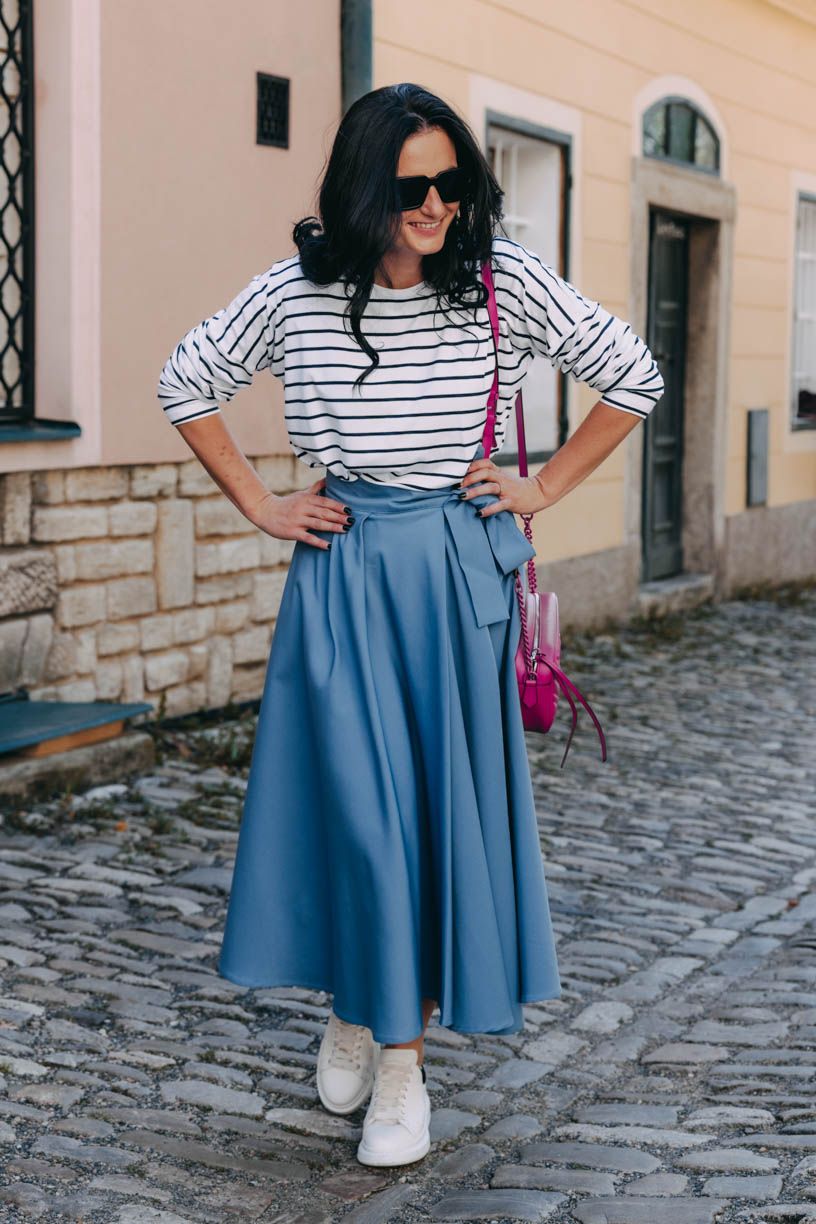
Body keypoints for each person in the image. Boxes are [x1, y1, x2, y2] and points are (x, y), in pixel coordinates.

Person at [156, 82, 665, 1168]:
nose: (435, 205)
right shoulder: (295, 294)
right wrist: (262, 504)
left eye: (452, 182)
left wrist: (543, 487)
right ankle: (361, 1003)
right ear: (362, 190)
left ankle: (401, 1065)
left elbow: (633, 375)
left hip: (449, 576)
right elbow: (185, 381)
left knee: (427, 818)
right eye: (410, 186)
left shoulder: (498, 283)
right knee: (355, 810)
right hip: (341, 571)